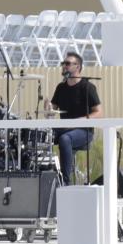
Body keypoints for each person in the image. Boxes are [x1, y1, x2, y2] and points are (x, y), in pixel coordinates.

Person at [47, 52, 102, 186]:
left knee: (65, 139)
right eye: (63, 64)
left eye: (67, 63)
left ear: (78, 67)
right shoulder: (61, 87)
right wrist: (48, 107)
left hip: (84, 131)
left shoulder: (88, 87)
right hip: (64, 128)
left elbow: (99, 113)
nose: (64, 66)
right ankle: (42, 175)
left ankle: (65, 182)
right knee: (42, 135)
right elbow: (51, 111)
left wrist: (80, 120)